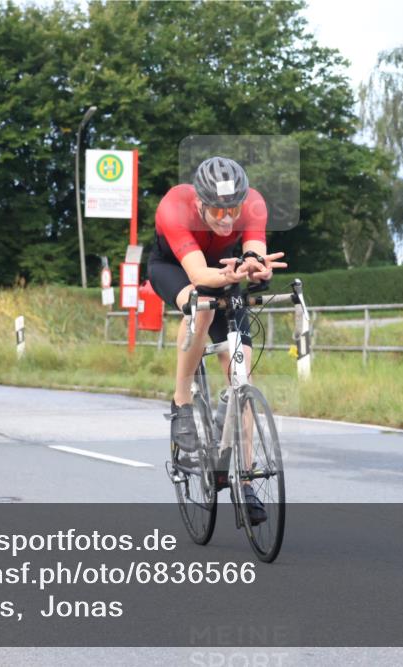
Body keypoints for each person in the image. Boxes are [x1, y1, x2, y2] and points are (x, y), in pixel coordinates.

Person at [148, 156, 286, 524]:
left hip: (226, 268)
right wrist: (234, 274)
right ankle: (181, 401)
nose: (227, 219)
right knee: (202, 307)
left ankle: (246, 480)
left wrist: (256, 267)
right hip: (176, 268)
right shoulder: (175, 207)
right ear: (199, 203)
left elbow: (254, 251)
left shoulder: (253, 204)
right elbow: (197, 274)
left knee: (241, 377)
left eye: (233, 210)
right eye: (217, 211)